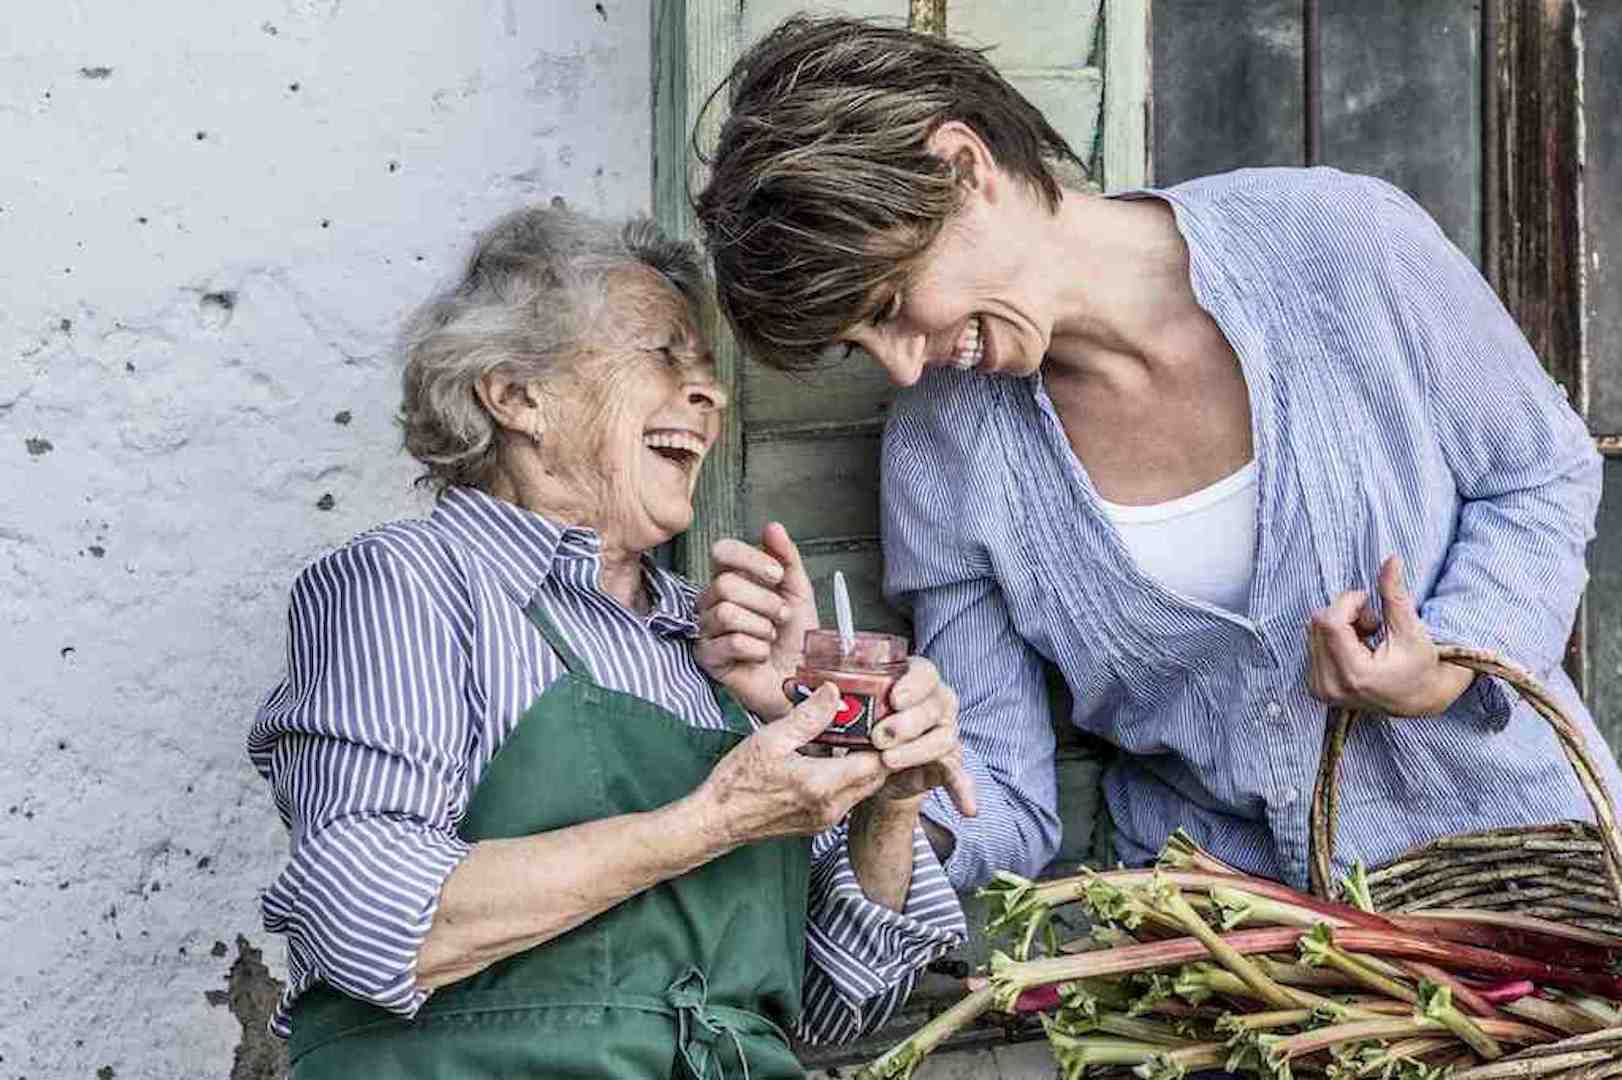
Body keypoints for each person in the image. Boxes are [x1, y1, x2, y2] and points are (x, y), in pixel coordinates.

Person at [689, 15, 1622, 894]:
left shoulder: (1343, 243)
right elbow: (1001, 797)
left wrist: (1450, 665)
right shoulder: (944, 452)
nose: (898, 365)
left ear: (963, 166)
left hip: (1527, 891)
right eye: (863, 345)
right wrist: (837, 732)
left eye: (890, 304)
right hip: (1236, 970)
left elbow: (1541, 474)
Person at [248, 205, 976, 1078]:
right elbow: (368, 924)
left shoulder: (714, 652)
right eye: (664, 354)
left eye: (708, 369)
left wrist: (885, 797)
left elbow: (830, 1003)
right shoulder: (414, 583)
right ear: (518, 395)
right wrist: (714, 820)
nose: (709, 394)